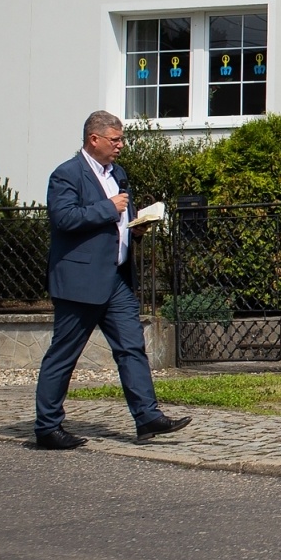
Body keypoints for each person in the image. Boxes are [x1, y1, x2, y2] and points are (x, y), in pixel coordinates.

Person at [33, 112, 191, 449]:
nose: (121, 145)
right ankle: (47, 427)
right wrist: (108, 208)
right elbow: (64, 218)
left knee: (132, 348)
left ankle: (147, 416)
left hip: (116, 279)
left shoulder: (118, 174)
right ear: (94, 139)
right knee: (64, 354)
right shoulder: (67, 174)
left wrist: (136, 228)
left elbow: (117, 222)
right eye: (114, 140)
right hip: (80, 281)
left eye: (121, 139)